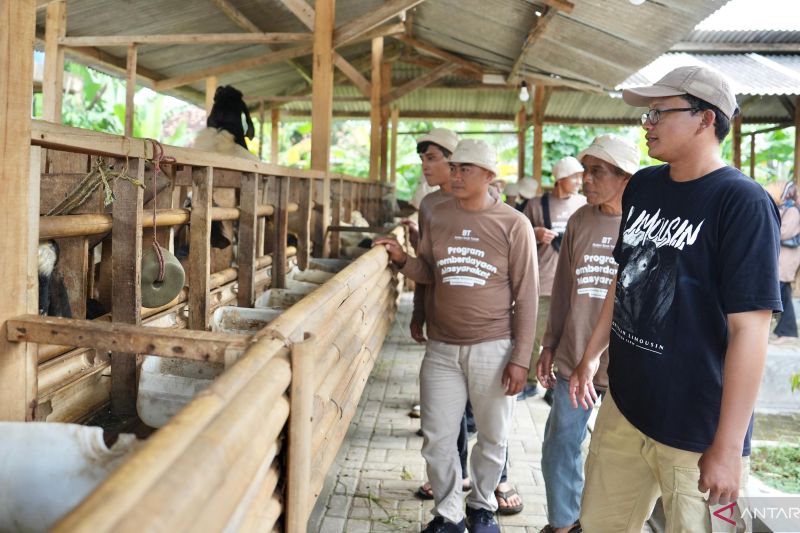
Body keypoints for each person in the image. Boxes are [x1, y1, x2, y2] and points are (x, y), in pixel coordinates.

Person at [570, 66, 782, 532]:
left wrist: (727, 450)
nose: (646, 125)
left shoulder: (741, 202)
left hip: (698, 430)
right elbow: (623, 277)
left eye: (657, 113)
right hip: (626, 407)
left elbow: (751, 329)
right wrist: (591, 356)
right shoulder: (644, 185)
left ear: (706, 119)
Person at [375, 139, 538, 533]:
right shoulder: (439, 213)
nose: (457, 174)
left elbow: (527, 296)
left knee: (493, 435)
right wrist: (401, 260)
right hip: (442, 347)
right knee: (437, 436)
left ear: (489, 176)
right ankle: (448, 513)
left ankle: (482, 507)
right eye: (456, 167)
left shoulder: (513, 224)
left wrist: (520, 359)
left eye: (467, 168)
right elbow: (430, 271)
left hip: (493, 346)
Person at [535, 135, 640, 533]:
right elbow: (564, 287)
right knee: (560, 444)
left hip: (626, 364)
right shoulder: (581, 219)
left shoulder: (644, 223)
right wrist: (549, 344)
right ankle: (564, 524)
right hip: (575, 354)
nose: (587, 180)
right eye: (586, 170)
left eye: (597, 171)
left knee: (611, 455)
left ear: (625, 177)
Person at [520, 157, 586, 399]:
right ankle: (528, 380)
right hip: (543, 281)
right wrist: (534, 233)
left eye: (581, 176)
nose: (580, 181)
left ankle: (557, 384)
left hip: (576, 283)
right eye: (575, 177)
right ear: (560, 179)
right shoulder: (537, 205)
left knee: (569, 335)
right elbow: (518, 240)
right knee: (535, 333)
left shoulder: (585, 205)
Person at [772, 180, 800, 343]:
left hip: (788, 258)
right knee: (783, 293)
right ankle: (783, 331)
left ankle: (787, 332)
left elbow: (784, 232)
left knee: (783, 294)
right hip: (783, 258)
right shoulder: (786, 209)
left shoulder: (793, 211)